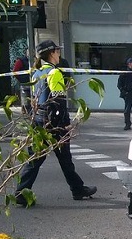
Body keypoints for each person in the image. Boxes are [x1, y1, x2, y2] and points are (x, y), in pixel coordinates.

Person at [14, 40, 96, 207]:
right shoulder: (54, 73)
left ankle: (22, 192)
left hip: (39, 120)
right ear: (51, 53)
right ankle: (76, 189)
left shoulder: (37, 73)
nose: (59, 54)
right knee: (63, 158)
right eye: (58, 51)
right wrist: (64, 124)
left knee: (36, 158)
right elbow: (58, 101)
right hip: (54, 123)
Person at [117, 57, 132, 131]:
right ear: (129, 64)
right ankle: (127, 124)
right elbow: (119, 84)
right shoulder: (125, 73)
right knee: (127, 110)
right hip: (129, 93)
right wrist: (124, 92)